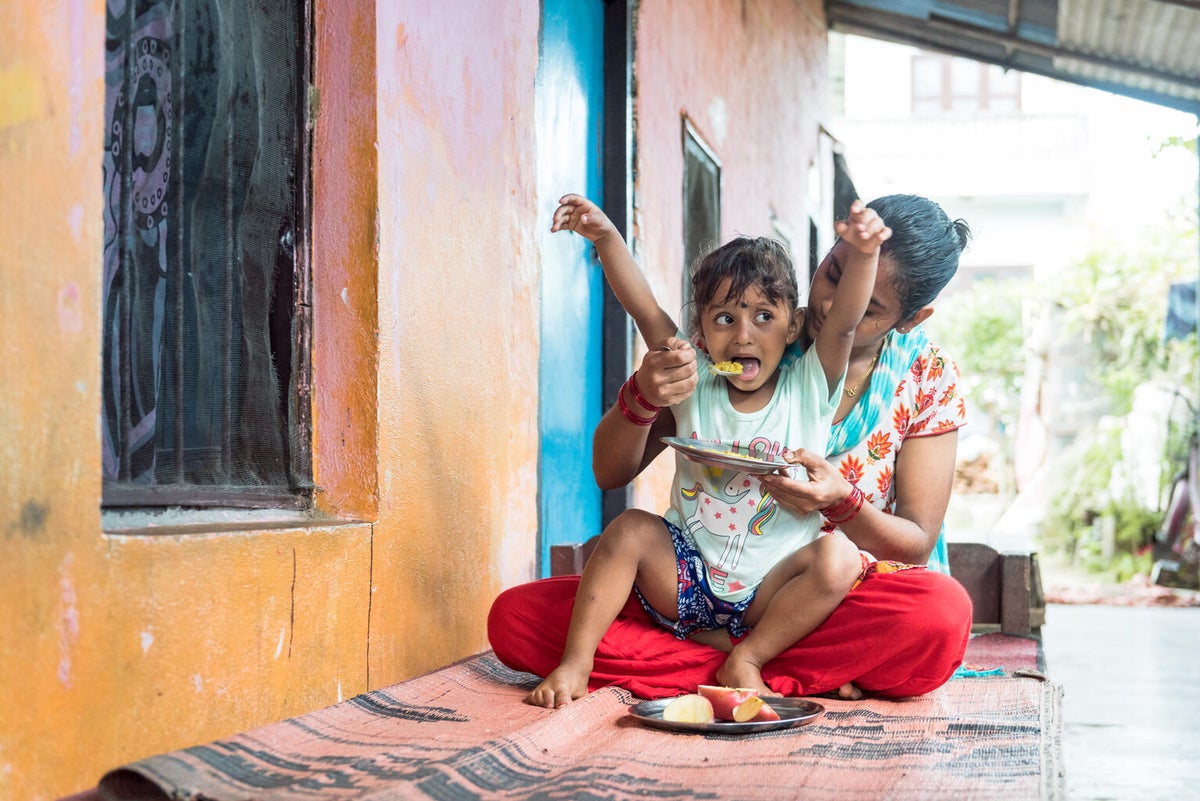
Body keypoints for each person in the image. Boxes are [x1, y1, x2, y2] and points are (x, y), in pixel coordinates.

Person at [489, 193, 973, 706]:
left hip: (817, 599)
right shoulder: (721, 361)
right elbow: (643, 331)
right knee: (516, 619)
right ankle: (775, 670)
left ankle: (725, 659)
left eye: (868, 304)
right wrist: (643, 393)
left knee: (938, 616)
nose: (829, 303)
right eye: (833, 271)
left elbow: (915, 542)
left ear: (911, 319)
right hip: (690, 584)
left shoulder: (856, 375)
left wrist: (841, 502)